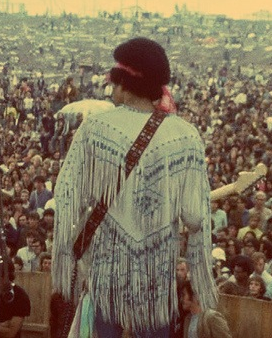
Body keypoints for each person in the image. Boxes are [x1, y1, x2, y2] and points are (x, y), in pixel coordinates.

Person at [52, 38, 217, 337]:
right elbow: (194, 216)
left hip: (108, 272)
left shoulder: (96, 128)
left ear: (125, 83)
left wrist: (68, 256)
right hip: (157, 278)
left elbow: (66, 196)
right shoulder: (185, 135)